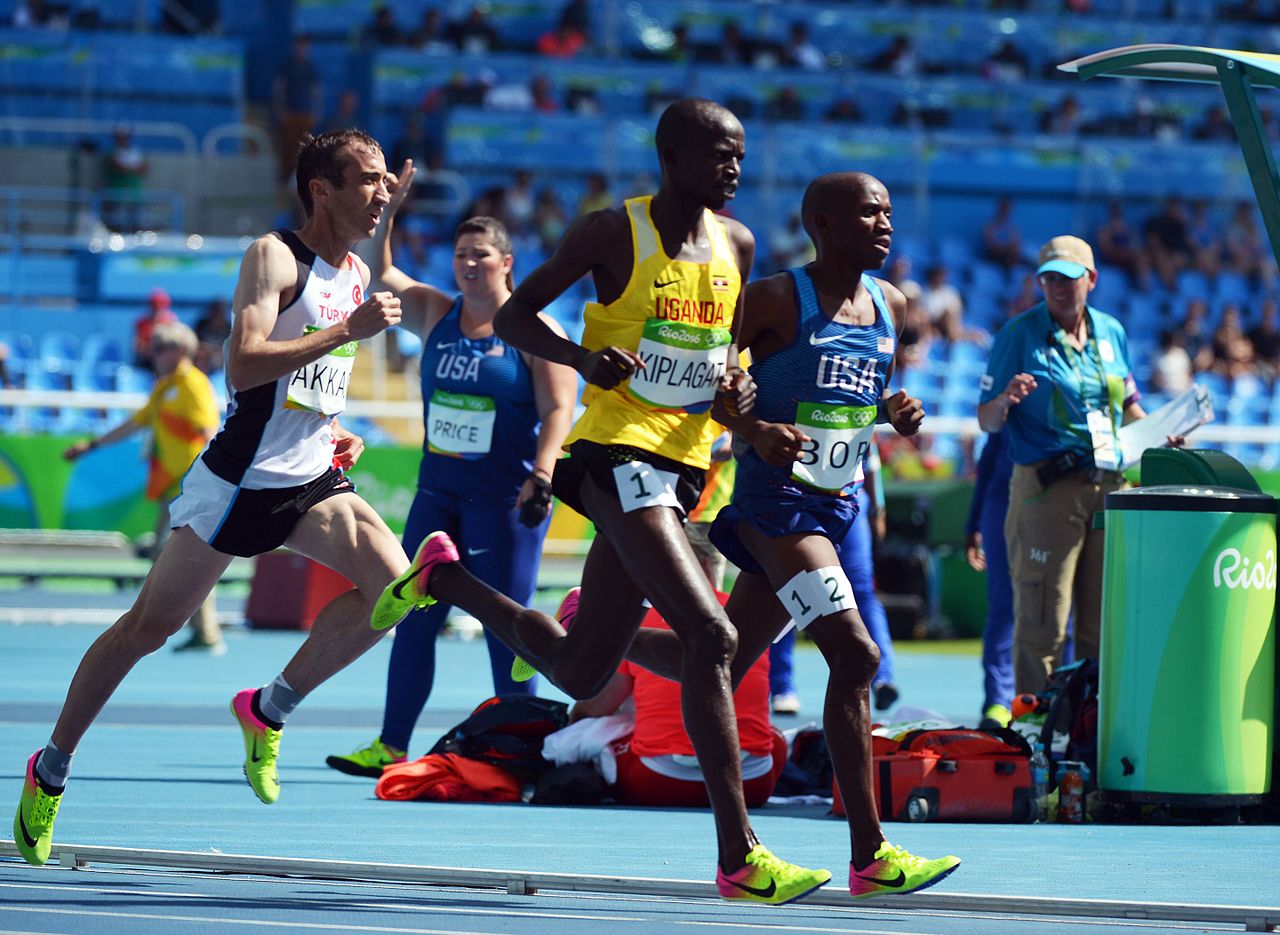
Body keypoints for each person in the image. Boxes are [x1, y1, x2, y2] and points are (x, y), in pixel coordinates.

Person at [370, 98, 830, 906]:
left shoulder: (739, 243)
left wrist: (744, 405)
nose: (736, 168)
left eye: (741, 154)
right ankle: (740, 856)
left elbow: (720, 366)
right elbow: (514, 315)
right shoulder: (610, 231)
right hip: (615, 457)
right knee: (712, 635)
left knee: (581, 664)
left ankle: (443, 580)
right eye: (720, 154)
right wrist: (584, 356)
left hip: (685, 465)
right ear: (673, 155)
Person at [14, 129, 408, 867]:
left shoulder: (357, 273)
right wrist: (341, 335)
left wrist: (336, 427)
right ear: (321, 190)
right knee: (146, 629)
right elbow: (244, 367)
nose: (381, 191)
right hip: (237, 485)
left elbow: (311, 389)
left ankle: (269, 706)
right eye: (367, 179)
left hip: (313, 478)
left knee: (397, 591)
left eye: (387, 179)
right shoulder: (273, 256)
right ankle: (52, 766)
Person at [624, 172, 961, 899]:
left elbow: (860, 397)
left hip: (834, 509)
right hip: (779, 508)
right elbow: (708, 375)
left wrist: (893, 412)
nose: (885, 224)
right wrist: (745, 421)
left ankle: (605, 635)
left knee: (720, 655)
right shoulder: (777, 297)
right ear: (823, 224)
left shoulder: (890, 304)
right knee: (856, 651)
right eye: (870, 212)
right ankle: (870, 854)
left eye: (890, 211)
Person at [325, 160, 576, 777]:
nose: (468, 263)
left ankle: (522, 746)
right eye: (461, 252)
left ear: (506, 263)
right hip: (438, 495)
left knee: (508, 630)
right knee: (412, 615)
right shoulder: (437, 313)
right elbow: (382, 271)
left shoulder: (534, 327)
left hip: (503, 501)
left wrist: (542, 474)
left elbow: (560, 405)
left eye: (481, 254)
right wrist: (393, 206)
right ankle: (390, 744)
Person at [978, 235, 1183, 694]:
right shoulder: (1018, 334)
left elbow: (1129, 405)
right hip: (1048, 489)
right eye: (1048, 278)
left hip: (1110, 490)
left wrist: (1160, 436)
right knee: (1044, 623)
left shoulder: (1112, 331)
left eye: (1068, 278)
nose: (1057, 287)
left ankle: (1089, 732)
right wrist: (1006, 400)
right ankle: (1037, 733)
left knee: (1102, 623)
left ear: (1091, 279)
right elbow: (986, 420)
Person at [64, 322, 224, 653]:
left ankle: (195, 630)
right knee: (175, 557)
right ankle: (200, 629)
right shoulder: (165, 388)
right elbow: (135, 423)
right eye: (154, 348)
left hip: (192, 484)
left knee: (183, 559)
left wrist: (216, 480)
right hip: (172, 484)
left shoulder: (193, 385)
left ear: (182, 350)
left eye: (161, 347)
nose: (154, 354)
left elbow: (210, 431)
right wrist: (92, 446)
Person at [571, 574, 787, 808]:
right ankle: (735, 833)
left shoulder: (637, 619)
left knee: (601, 736)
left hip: (659, 781)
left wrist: (570, 722)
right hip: (753, 785)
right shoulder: (749, 620)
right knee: (774, 739)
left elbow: (595, 706)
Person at [963, 428, 1015, 728]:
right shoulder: (1011, 386)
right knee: (1003, 606)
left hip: (1059, 498)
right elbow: (988, 461)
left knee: (1063, 608)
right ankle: (998, 700)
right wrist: (973, 524)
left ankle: (1058, 698)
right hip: (1002, 500)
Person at [133, 288, 179, 371]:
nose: (156, 311)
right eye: (154, 308)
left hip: (165, 359)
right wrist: (151, 351)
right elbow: (137, 347)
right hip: (146, 361)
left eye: (160, 308)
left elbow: (174, 346)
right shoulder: (142, 323)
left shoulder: (170, 321)